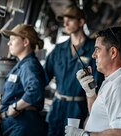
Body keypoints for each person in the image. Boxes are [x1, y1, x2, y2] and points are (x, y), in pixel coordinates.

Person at [65, 26, 121, 136]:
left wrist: (84, 135)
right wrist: (90, 93)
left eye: (97, 49)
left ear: (113, 52)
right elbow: (100, 114)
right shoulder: (115, 78)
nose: (93, 55)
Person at [44, 5, 104, 136]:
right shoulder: (58, 49)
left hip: (79, 109)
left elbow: (97, 85)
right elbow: (43, 77)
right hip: (57, 107)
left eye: (70, 20)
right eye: (64, 20)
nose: (65, 23)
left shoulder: (94, 50)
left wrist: (92, 115)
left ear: (81, 22)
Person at [0, 24, 47, 136]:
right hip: (15, 125)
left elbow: (35, 91)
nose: (9, 43)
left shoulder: (29, 65)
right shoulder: (22, 65)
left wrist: (16, 107)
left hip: (23, 126)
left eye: (13, 39)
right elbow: (14, 96)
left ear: (25, 42)